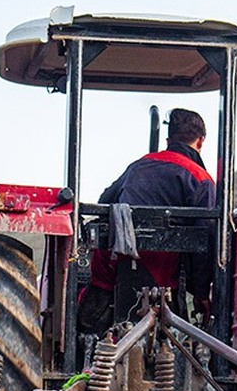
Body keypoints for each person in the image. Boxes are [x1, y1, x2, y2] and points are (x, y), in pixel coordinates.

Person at [78, 108, 215, 335]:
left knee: (90, 316)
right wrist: (201, 293)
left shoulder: (140, 164)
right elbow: (205, 242)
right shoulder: (200, 179)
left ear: (169, 140)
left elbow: (105, 201)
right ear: (200, 141)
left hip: (113, 267)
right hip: (163, 276)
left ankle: (83, 336)